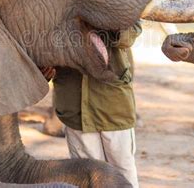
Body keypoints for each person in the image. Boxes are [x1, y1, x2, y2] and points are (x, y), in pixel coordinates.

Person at [53, 22, 142, 188]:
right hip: (74, 105)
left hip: (113, 105)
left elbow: (131, 34)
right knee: (86, 173)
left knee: (122, 169)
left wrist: (110, 23)